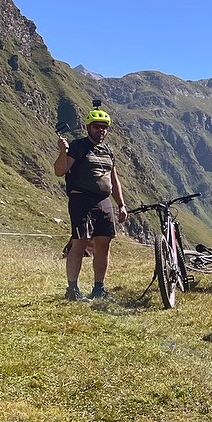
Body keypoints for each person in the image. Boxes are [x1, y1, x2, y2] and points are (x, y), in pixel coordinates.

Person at [54, 106, 128, 301]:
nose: (101, 130)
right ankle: (72, 290)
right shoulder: (78, 146)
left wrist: (121, 204)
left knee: (104, 244)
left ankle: (98, 288)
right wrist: (63, 151)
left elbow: (114, 179)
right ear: (88, 126)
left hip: (103, 201)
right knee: (79, 243)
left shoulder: (108, 151)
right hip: (81, 200)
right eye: (97, 126)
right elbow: (60, 171)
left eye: (104, 127)